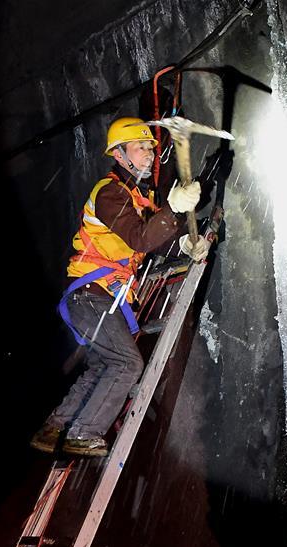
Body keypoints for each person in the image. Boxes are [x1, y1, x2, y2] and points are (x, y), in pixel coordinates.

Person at [30, 116, 210, 458]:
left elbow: (154, 238)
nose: (149, 154)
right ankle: (83, 432)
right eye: (140, 147)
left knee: (104, 364)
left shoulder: (137, 197)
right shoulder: (110, 193)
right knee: (127, 364)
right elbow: (140, 238)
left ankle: (56, 427)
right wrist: (173, 208)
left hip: (98, 297)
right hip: (91, 294)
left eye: (150, 148)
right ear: (119, 154)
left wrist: (185, 243)